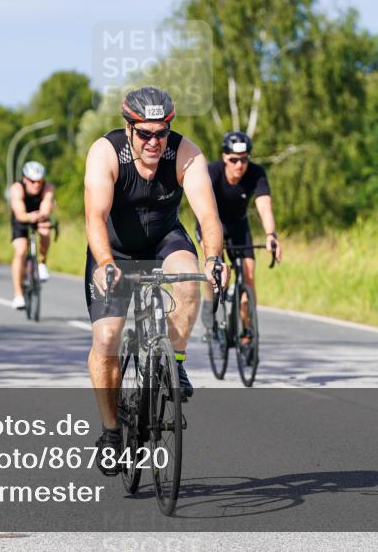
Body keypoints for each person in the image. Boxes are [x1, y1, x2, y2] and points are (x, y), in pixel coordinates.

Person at [83, 86, 226, 475]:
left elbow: (208, 217)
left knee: (189, 281)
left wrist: (214, 259)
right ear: (129, 128)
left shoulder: (185, 154)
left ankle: (174, 361)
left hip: (165, 239)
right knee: (107, 338)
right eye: (145, 133)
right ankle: (111, 431)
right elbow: (95, 217)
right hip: (114, 250)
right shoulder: (106, 152)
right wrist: (105, 262)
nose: (154, 142)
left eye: (161, 133)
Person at [198, 131, 283, 335]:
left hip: (238, 226)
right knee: (214, 268)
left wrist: (271, 235)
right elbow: (202, 207)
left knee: (248, 275)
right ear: (224, 157)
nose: (239, 165)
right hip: (211, 224)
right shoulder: (212, 172)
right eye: (234, 160)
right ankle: (209, 302)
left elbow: (264, 206)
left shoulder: (256, 173)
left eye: (244, 159)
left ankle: (247, 330)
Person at [9, 161, 55, 310]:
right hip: (21, 218)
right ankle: (18, 295)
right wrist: (30, 217)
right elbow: (20, 214)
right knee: (21, 250)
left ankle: (42, 263)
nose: (36, 185)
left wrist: (41, 216)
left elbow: (46, 209)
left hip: (39, 216)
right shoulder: (17, 188)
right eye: (32, 181)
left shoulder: (47, 188)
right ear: (25, 179)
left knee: (45, 231)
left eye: (39, 181)